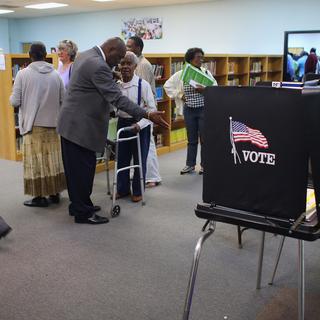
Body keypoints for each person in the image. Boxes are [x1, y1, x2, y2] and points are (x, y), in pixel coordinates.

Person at [57, 37, 169, 225]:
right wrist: (147, 114)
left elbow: (90, 81)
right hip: (80, 127)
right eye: (117, 58)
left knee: (77, 169)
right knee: (82, 170)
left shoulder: (85, 55)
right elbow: (118, 99)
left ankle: (79, 205)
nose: (118, 64)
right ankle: (82, 213)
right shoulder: (98, 65)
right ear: (110, 50)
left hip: (72, 123)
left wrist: (112, 75)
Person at [10, 42, 66, 207]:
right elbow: (64, 100)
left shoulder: (22, 74)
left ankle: (39, 197)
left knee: (36, 163)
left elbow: (15, 101)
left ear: (30, 55)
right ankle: (55, 193)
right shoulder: (56, 75)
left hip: (33, 125)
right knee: (53, 162)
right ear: (46, 54)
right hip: (54, 125)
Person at [164, 47, 217, 175]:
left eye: (202, 57)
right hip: (189, 111)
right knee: (191, 139)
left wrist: (205, 89)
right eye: (198, 57)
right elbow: (167, 85)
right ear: (190, 59)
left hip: (203, 109)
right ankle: (190, 164)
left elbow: (215, 87)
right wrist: (179, 95)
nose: (201, 60)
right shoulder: (181, 74)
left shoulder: (205, 72)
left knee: (204, 139)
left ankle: (205, 165)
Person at [116, 52, 156, 202]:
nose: (125, 67)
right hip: (123, 124)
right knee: (122, 159)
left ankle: (138, 191)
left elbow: (151, 110)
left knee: (139, 159)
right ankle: (122, 188)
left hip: (140, 125)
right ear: (119, 66)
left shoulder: (142, 85)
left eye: (129, 64)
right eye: (123, 64)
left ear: (135, 66)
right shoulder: (116, 86)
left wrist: (139, 125)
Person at [126, 36, 162, 187]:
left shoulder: (142, 65)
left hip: (146, 111)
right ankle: (140, 174)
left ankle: (152, 177)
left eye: (130, 47)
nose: (126, 49)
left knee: (148, 145)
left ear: (139, 48)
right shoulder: (135, 63)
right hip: (139, 111)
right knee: (140, 145)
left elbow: (143, 90)